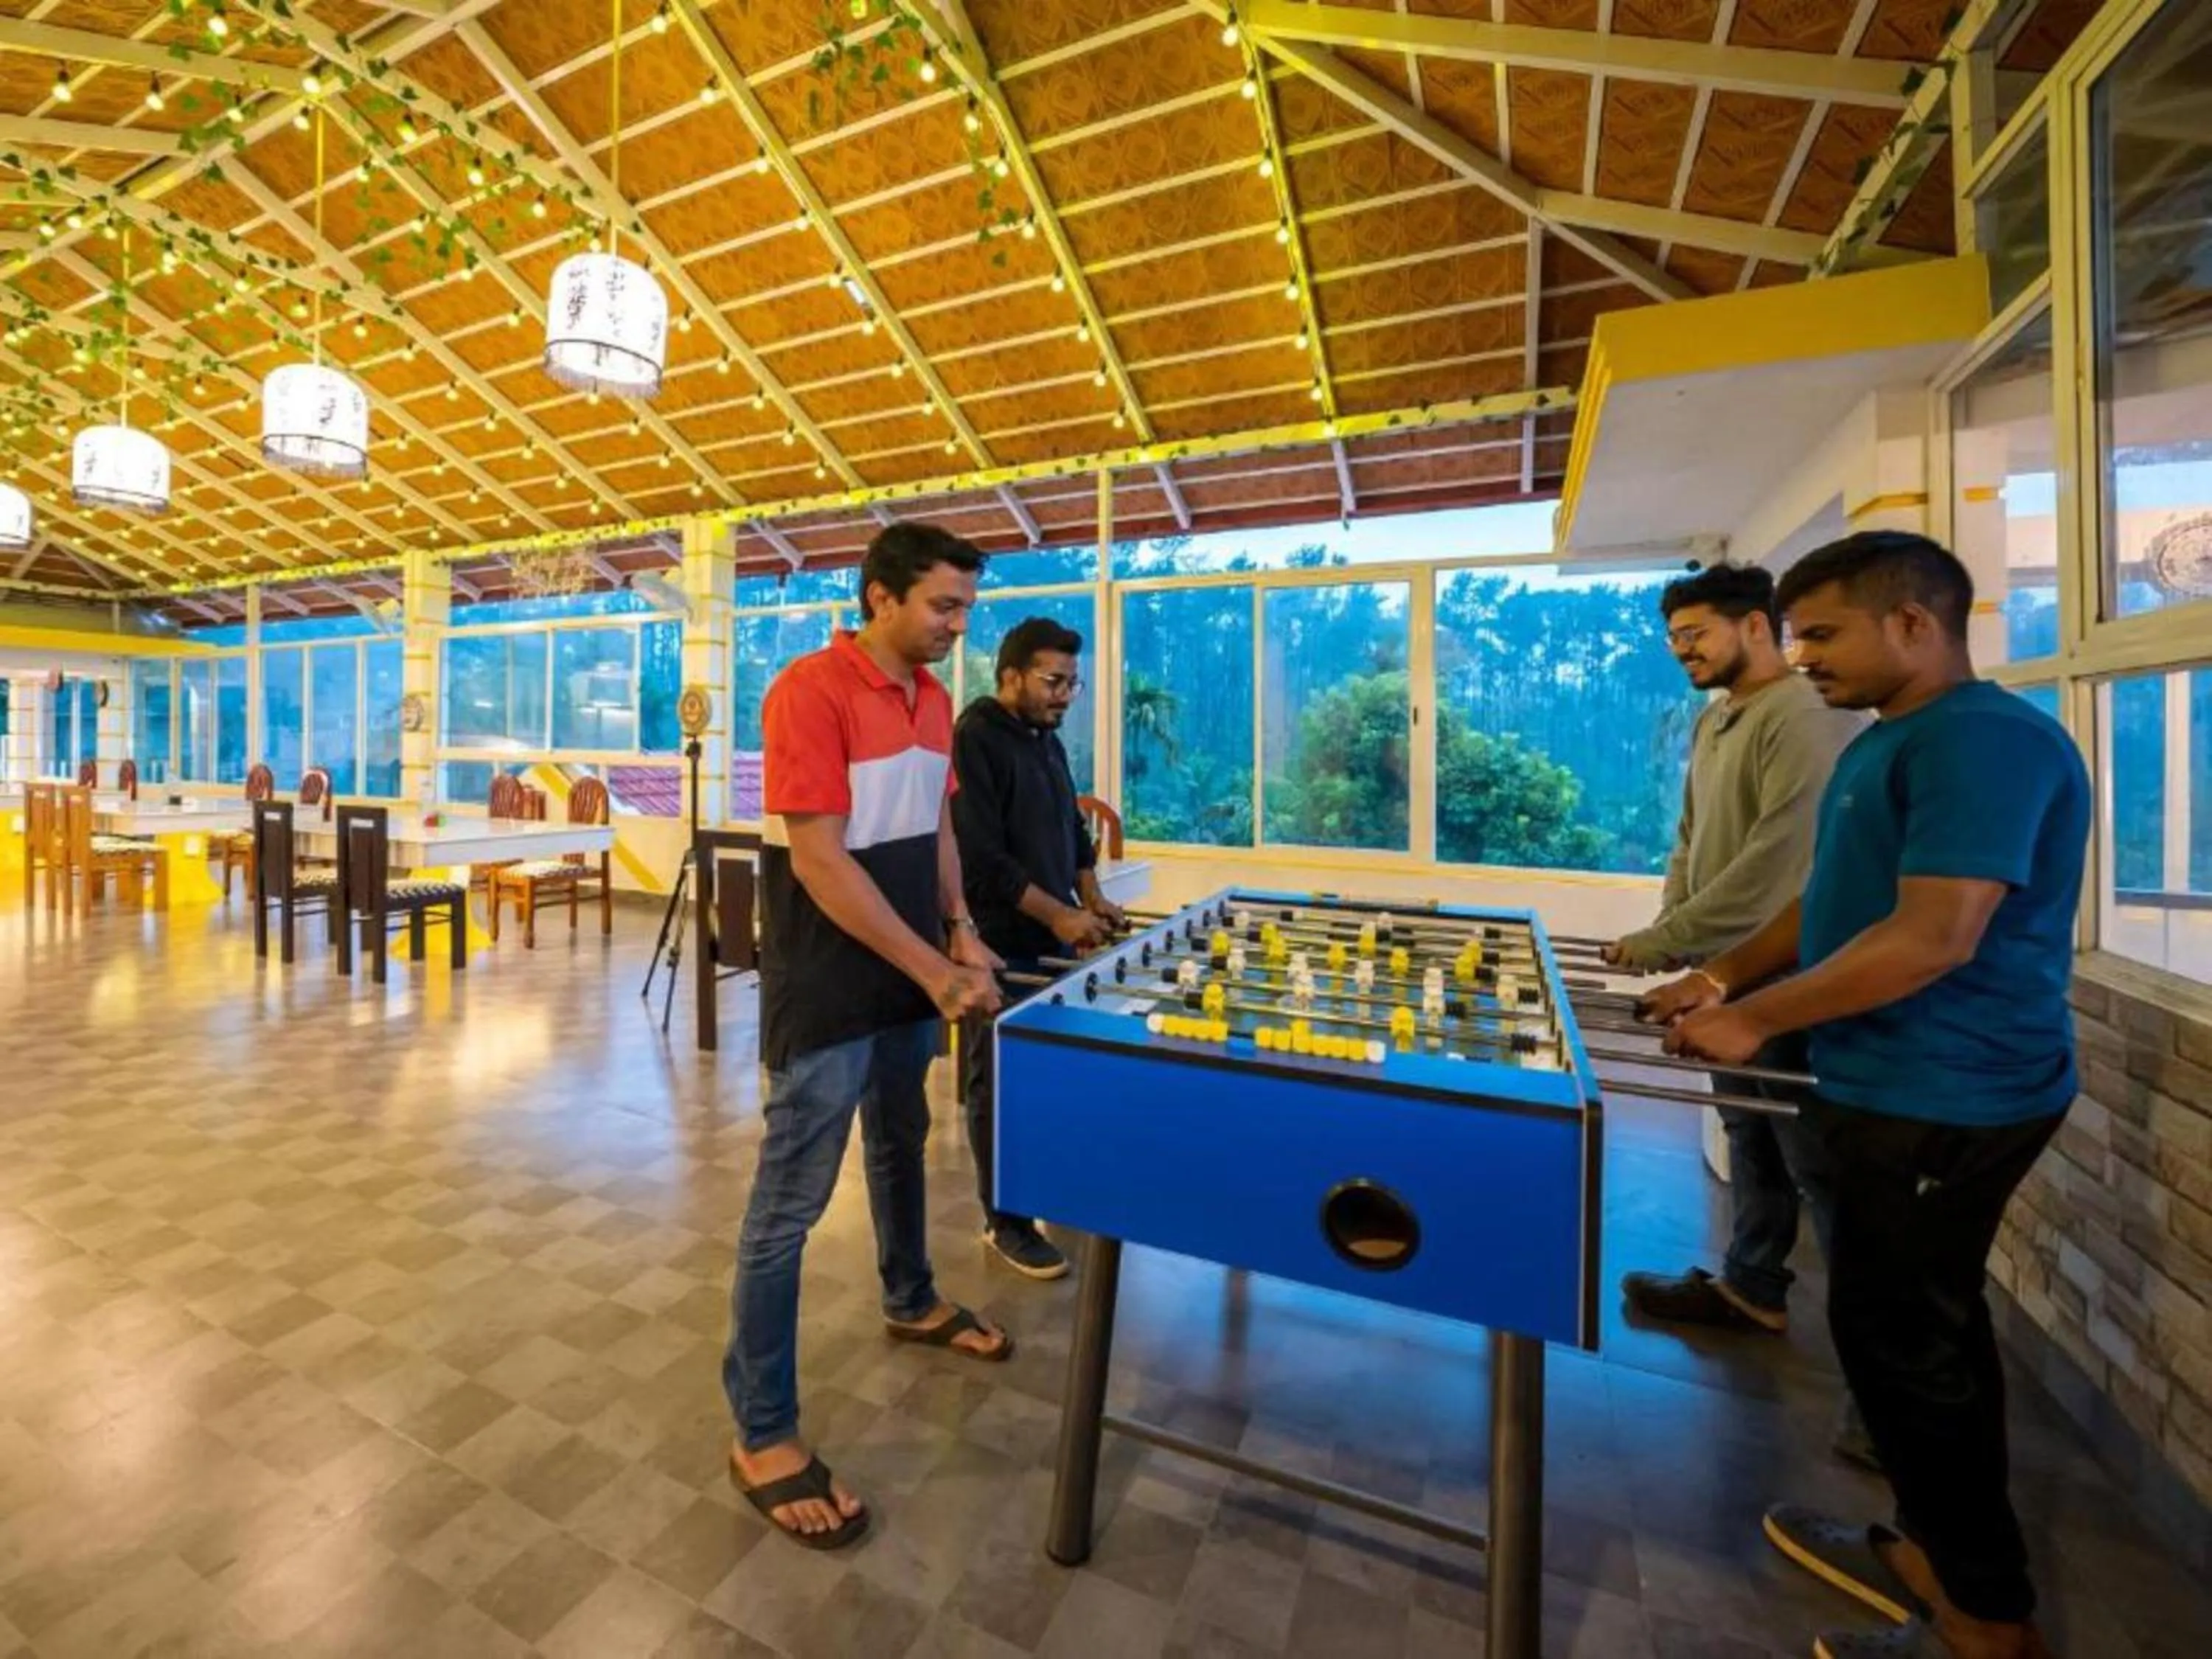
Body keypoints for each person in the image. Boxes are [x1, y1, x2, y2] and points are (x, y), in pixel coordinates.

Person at [1642, 531, 2088, 1659]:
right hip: (1888, 1078)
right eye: (1797, 636)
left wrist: (1760, 1018)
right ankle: (1925, 1552)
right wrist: (1725, 974)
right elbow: (1836, 903)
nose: (1807, 656)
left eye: (1824, 634)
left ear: (1915, 621)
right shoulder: (1894, 739)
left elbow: (1936, 933)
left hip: (1946, 1090)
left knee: (1914, 1351)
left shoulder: (1983, 741)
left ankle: (1985, 1626)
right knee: (1899, 1332)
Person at [721, 521, 1012, 1552]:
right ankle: (761, 1432)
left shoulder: (933, 701)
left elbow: (932, 824)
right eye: (943, 605)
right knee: (788, 1207)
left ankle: (910, 1296)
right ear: (881, 597)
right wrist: (935, 969)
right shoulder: (810, 689)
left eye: (966, 607)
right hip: (832, 980)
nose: (957, 625)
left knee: (898, 1144)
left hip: (906, 974)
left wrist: (961, 928)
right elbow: (821, 862)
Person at [1607, 563, 1864, 1349]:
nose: (1683, 651)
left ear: (1757, 625)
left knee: (1818, 1164)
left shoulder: (1804, 715)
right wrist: (1674, 930)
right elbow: (1693, 839)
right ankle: (1753, 1288)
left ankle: (1881, 1384)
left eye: (1696, 634)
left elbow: (1778, 864)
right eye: (1675, 639)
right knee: (1749, 1130)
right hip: (1721, 968)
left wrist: (1669, 943)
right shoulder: (1716, 721)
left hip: (1786, 966)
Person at [951, 616, 1125, 1279]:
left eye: (1072, 685)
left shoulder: (1045, 740)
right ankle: (1006, 1222)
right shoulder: (976, 737)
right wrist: (1059, 916)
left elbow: (1070, 830)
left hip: (1053, 940)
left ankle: (1047, 1190)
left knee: (1046, 1075)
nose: (1062, 695)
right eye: (1053, 681)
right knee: (995, 1085)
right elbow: (982, 861)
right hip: (999, 946)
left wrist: (1092, 896)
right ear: (1011, 676)